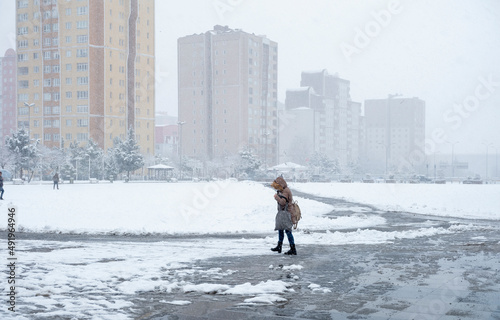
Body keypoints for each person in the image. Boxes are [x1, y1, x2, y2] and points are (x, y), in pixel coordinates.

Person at [270, 176, 297, 255]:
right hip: (283, 213)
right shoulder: (283, 190)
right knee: (281, 229)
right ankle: (279, 246)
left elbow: (283, 202)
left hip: (286, 213)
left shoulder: (285, 191)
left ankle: (293, 249)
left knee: (288, 231)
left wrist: (276, 197)